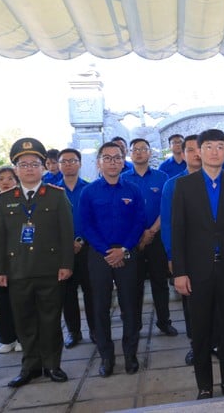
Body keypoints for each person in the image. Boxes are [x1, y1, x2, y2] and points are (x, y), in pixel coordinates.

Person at [172, 129, 224, 399]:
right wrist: (181, 272)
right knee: (200, 331)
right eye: (209, 146)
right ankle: (204, 386)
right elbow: (179, 231)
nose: (215, 151)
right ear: (199, 150)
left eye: (221, 146)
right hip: (197, 271)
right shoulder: (185, 186)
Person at [0, 138, 73, 388]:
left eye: (34, 164)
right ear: (16, 169)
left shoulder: (55, 196)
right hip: (17, 272)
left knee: (50, 320)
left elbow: (66, 233)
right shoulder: (6, 199)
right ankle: (30, 366)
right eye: (23, 164)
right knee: (24, 320)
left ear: (43, 167)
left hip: (49, 269)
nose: (29, 168)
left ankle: (52, 365)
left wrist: (66, 264)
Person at [79, 142, 146, 378]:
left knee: (131, 306)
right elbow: (85, 225)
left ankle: (130, 354)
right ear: (99, 162)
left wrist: (124, 249)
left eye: (117, 158)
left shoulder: (133, 189)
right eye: (107, 158)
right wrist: (107, 251)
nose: (113, 162)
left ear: (123, 160)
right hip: (99, 256)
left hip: (128, 254)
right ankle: (106, 356)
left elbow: (139, 221)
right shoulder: (89, 192)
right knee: (100, 307)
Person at [122, 138, 177, 336]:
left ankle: (164, 321)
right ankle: (135, 325)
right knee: (133, 284)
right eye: (135, 150)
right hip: (131, 240)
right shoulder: (123, 179)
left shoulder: (162, 178)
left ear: (150, 153)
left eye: (143, 149)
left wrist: (151, 231)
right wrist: (138, 234)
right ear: (129, 153)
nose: (139, 153)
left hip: (157, 237)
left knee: (159, 282)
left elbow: (167, 208)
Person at [160, 134, 201, 365]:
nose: (196, 154)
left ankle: (216, 341)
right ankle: (196, 344)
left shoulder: (220, 181)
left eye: (199, 149)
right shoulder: (172, 185)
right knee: (191, 303)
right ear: (182, 153)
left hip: (217, 255)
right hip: (186, 253)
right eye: (191, 149)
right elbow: (167, 222)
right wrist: (172, 255)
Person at [56, 148, 95, 349]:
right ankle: (74, 332)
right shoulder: (51, 191)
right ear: (58, 164)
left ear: (80, 163)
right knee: (67, 294)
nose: (69, 164)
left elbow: (93, 220)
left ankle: (95, 330)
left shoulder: (89, 189)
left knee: (91, 292)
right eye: (64, 161)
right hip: (62, 252)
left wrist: (80, 241)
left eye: (73, 160)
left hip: (87, 249)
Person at [0, 167, 21, 354]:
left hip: (19, 259)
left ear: (17, 182)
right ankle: (7, 338)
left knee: (20, 301)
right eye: (1, 178)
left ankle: (23, 337)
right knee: (0, 300)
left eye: (10, 178)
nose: (5, 182)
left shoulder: (24, 203)